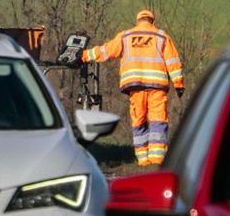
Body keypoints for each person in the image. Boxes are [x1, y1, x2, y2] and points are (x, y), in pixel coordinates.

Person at [68, 9, 184, 166]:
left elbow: (107, 50)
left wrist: (83, 55)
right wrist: (178, 84)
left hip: (134, 85)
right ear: (152, 21)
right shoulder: (162, 36)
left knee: (138, 120)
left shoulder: (126, 36)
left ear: (138, 21)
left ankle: (143, 160)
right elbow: (173, 61)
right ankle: (157, 159)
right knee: (158, 119)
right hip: (157, 85)